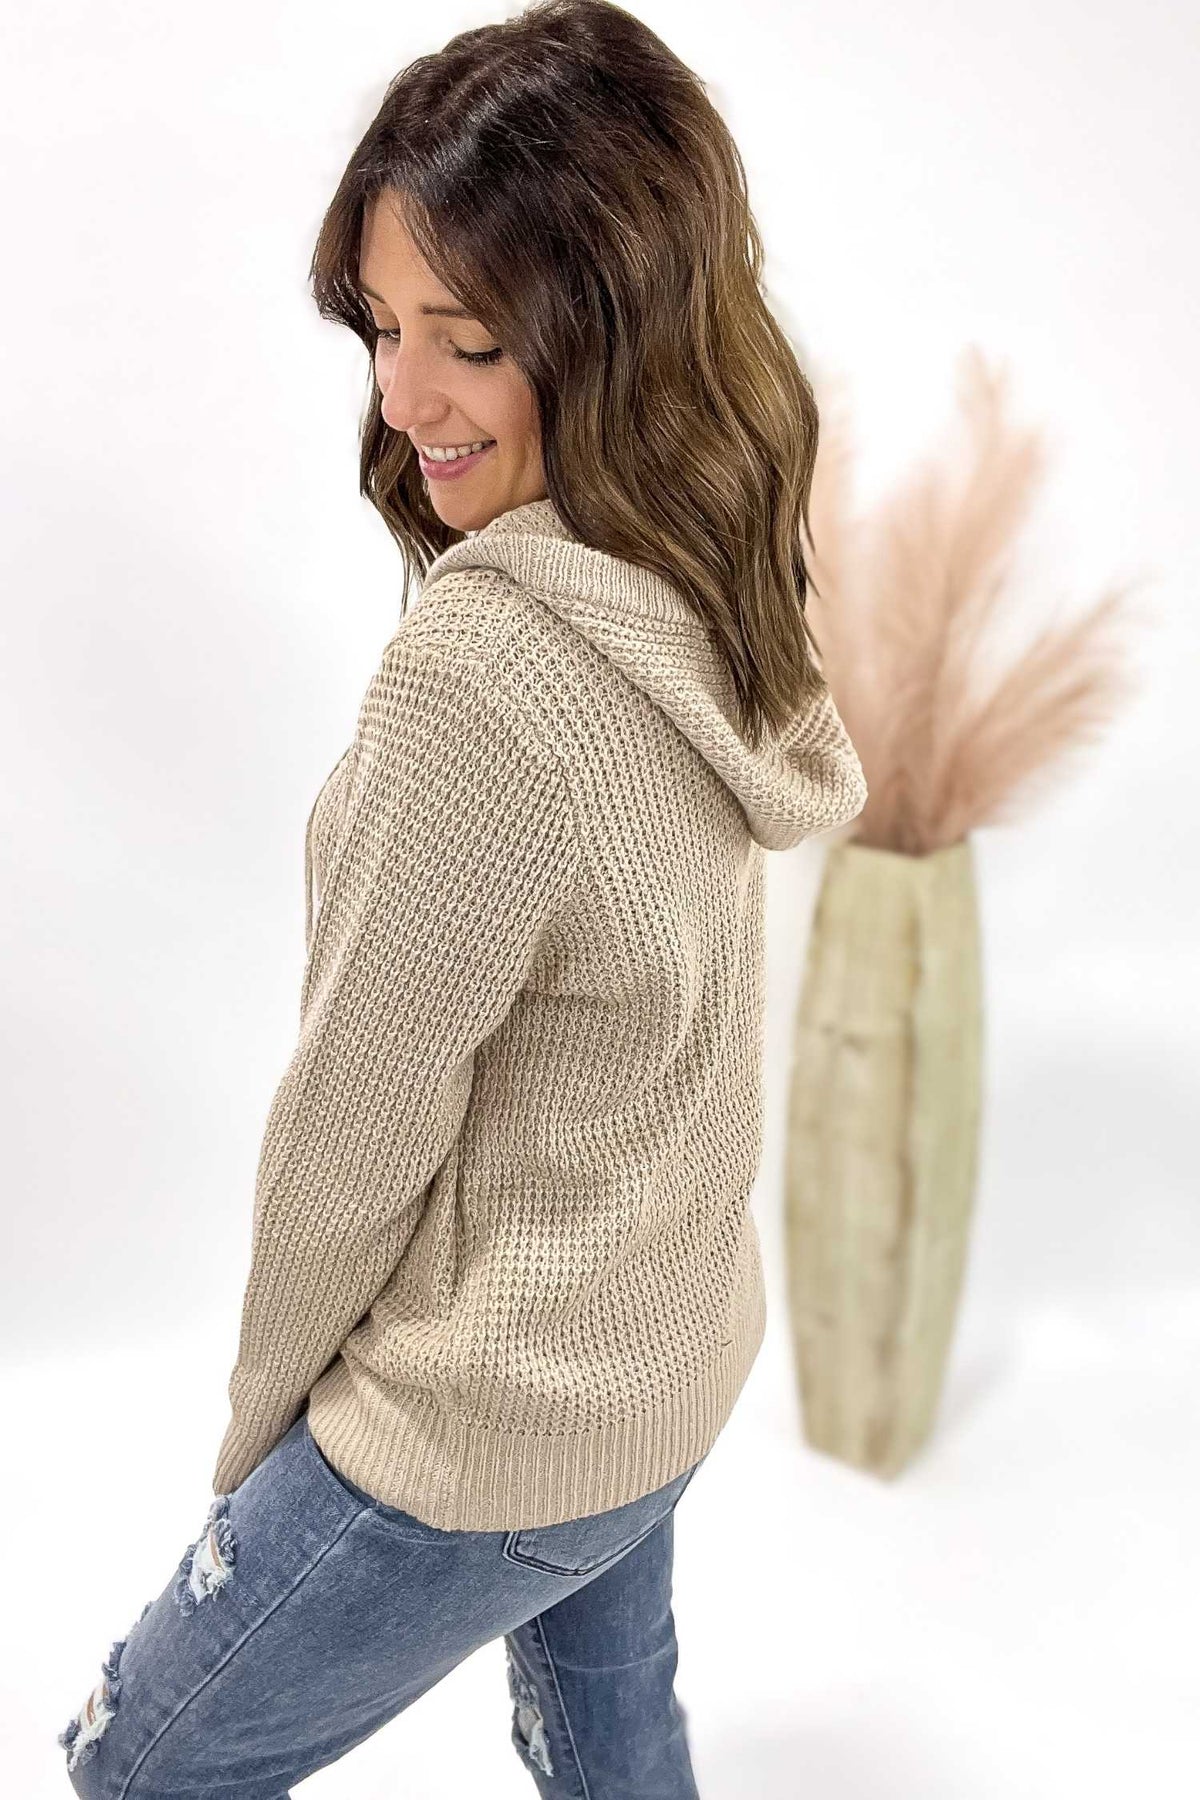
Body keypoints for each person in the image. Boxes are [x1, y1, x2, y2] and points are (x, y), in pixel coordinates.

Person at [57, 2, 867, 1795]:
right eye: (381, 327)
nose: (402, 398)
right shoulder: (706, 558)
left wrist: (264, 1456)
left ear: (607, 337)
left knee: (136, 1769)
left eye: (469, 343)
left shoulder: (484, 680)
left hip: (481, 1424)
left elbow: (360, 1113)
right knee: (614, 1762)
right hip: (655, 1366)